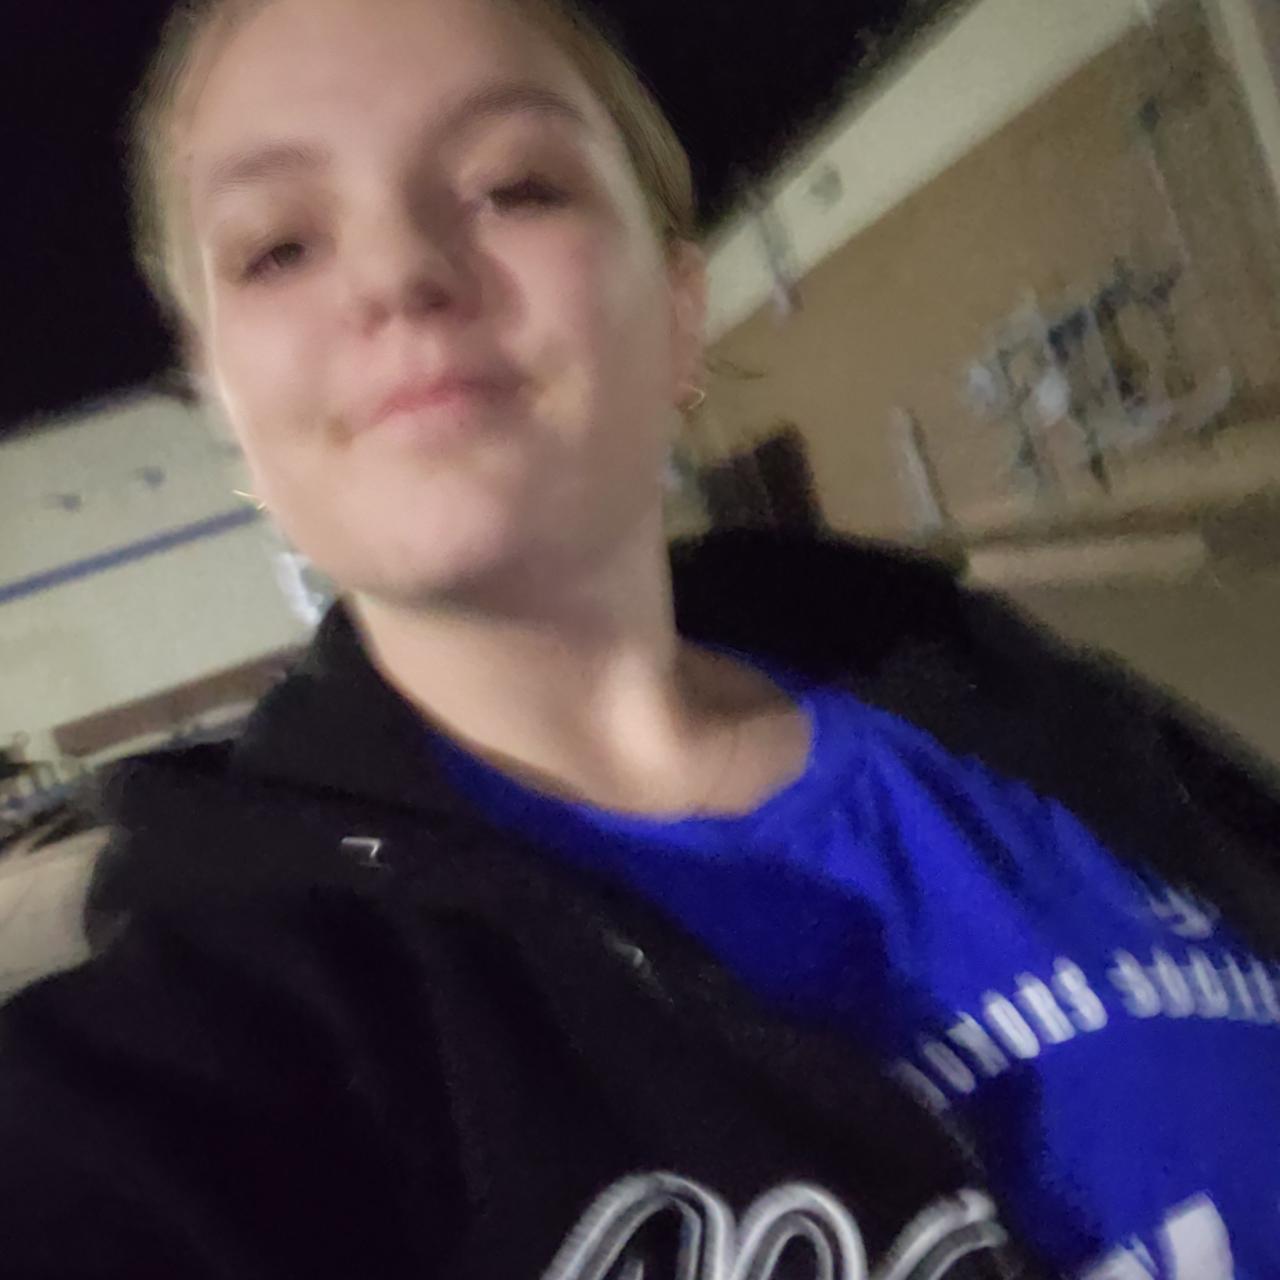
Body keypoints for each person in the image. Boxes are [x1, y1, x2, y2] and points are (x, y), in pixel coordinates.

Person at [1, 0, 1278, 1275]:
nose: (397, 273)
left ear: (676, 310)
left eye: (513, 185)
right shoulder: (243, 1020)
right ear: (225, 405)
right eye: (277, 247)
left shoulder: (982, 681)